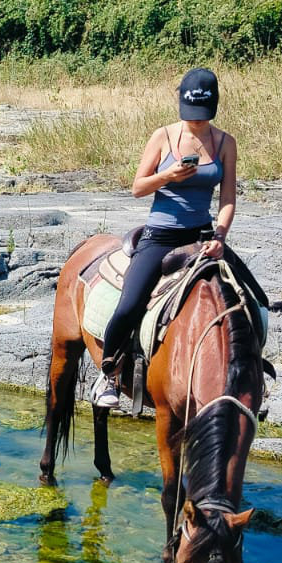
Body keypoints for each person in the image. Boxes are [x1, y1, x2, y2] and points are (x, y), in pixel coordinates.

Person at [92, 67, 238, 408]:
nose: (197, 123)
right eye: (192, 116)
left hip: (201, 237)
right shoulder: (163, 136)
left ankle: (247, 373)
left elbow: (228, 198)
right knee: (129, 304)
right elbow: (137, 188)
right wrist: (168, 174)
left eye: (202, 117)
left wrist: (220, 234)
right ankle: (108, 374)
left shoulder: (225, 142)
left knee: (247, 299)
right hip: (160, 236)